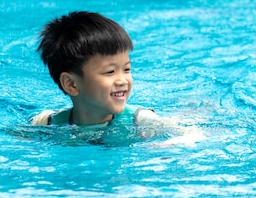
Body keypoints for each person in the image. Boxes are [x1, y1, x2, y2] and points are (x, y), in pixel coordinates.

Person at [31, 11, 202, 144]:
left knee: (191, 115)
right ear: (71, 84)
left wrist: (172, 143)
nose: (122, 80)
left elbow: (193, 134)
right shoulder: (48, 122)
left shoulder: (140, 121)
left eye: (126, 69)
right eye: (110, 72)